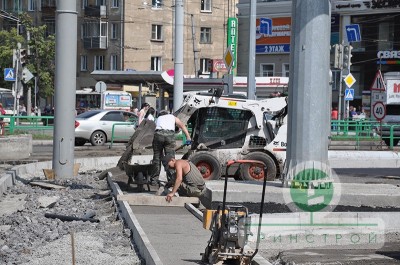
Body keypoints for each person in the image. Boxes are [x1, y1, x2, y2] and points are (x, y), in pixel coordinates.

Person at [150, 110, 191, 184]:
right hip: (170, 136)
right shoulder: (173, 117)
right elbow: (182, 126)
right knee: (171, 159)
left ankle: (154, 180)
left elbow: (153, 130)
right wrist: (188, 137)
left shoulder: (158, 118)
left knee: (157, 157)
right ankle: (171, 179)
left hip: (158, 135)